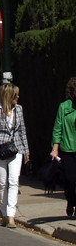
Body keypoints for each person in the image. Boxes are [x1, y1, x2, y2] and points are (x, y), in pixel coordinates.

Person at [0, 83, 29, 229]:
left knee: (14, 180)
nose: (18, 97)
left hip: (16, 147)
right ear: (8, 96)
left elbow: (22, 130)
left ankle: (11, 215)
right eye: (15, 95)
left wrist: (26, 150)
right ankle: (4, 213)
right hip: (0, 148)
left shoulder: (19, 109)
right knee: (2, 182)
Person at [51, 77, 76, 217]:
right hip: (68, 148)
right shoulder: (64, 107)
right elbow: (58, 128)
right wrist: (55, 148)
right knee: (70, 179)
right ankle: (71, 201)